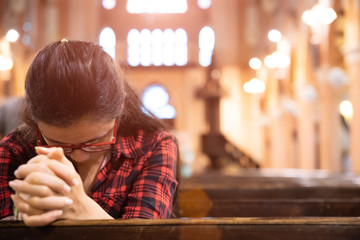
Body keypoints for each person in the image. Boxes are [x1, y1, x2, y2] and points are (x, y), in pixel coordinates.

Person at [0, 39, 179, 226]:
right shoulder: (13, 151)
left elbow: (147, 235)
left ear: (121, 105)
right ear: (34, 120)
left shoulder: (151, 146)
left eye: (95, 141)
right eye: (58, 143)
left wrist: (81, 207)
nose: (79, 156)